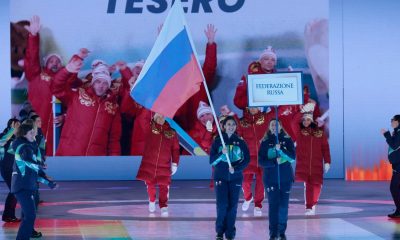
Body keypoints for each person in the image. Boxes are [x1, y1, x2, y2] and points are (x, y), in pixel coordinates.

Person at [52, 53, 121, 156]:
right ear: (93, 82)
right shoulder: (78, 95)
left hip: (95, 162)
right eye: (98, 81)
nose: (101, 86)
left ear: (109, 85)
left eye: (105, 83)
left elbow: (114, 140)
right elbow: (56, 88)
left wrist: (114, 162)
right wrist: (66, 70)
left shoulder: (113, 107)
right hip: (69, 156)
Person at [24, 15, 64, 156]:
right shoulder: (36, 75)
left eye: (58, 61)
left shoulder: (64, 82)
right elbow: (31, 59)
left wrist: (64, 116)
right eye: (51, 60)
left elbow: (73, 104)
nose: (55, 63)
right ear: (45, 63)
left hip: (54, 132)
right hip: (34, 128)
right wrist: (33, 36)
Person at [210, 116, 250, 240]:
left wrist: (236, 169)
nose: (231, 127)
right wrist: (221, 153)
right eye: (228, 124)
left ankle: (230, 233)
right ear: (224, 126)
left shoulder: (240, 141)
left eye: (233, 124)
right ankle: (219, 232)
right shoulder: (217, 141)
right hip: (220, 178)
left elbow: (247, 159)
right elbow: (212, 161)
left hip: (235, 178)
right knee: (222, 205)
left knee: (232, 206)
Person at [136, 113, 180, 216]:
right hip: (149, 164)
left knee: (164, 186)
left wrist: (175, 163)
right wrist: (150, 108)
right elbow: (142, 119)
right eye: (158, 116)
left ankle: (163, 205)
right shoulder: (149, 128)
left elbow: (175, 149)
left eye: (162, 116)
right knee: (150, 185)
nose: (160, 118)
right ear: (154, 117)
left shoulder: (171, 132)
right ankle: (152, 200)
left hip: (164, 165)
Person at [258, 119, 295, 240]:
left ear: (280, 127)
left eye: (276, 124)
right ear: (269, 127)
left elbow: (292, 158)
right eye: (272, 124)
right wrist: (274, 161)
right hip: (270, 179)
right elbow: (261, 161)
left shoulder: (287, 140)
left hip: (285, 179)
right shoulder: (265, 141)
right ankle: (273, 233)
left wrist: (282, 150)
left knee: (283, 206)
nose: (274, 126)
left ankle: (282, 231)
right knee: (273, 206)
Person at [292, 104, 331, 215]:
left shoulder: (319, 133)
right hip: (303, 165)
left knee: (317, 186)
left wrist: (327, 161)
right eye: (304, 120)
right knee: (308, 185)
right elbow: (293, 122)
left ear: (312, 121)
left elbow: (325, 148)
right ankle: (309, 207)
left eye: (308, 119)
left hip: (316, 165)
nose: (306, 122)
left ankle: (313, 203)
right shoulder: (299, 133)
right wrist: (302, 111)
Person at [236, 107, 274, 216]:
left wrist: (273, 102)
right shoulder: (242, 122)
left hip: (262, 157)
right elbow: (238, 135)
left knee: (261, 182)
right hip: (248, 158)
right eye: (250, 107)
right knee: (244, 182)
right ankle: (248, 197)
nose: (253, 109)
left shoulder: (265, 118)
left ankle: (258, 205)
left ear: (259, 108)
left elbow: (278, 111)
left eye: (255, 107)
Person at [11, 121, 42, 239]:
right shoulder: (23, 147)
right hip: (22, 186)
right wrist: (38, 166)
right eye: (31, 132)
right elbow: (27, 159)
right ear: (24, 134)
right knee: (30, 215)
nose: (34, 134)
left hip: (28, 185)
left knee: (29, 215)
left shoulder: (29, 144)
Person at [0, 118, 21, 222]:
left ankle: (8, 215)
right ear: (11, 126)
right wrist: (12, 130)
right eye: (16, 125)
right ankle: (8, 215)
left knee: (14, 191)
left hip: (13, 168)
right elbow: (2, 142)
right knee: (14, 190)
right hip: (5, 168)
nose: (18, 127)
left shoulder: (17, 139)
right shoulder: (4, 136)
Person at [381, 114, 400, 218]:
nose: (391, 121)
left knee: (394, 188)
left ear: (398, 122)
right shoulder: (397, 132)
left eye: (393, 120)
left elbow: (395, 145)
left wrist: (386, 134)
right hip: (397, 165)